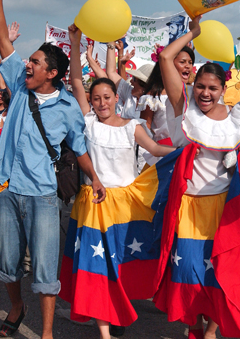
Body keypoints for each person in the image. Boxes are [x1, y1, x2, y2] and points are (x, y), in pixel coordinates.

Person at [0, 0, 106, 339]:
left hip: (43, 196)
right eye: (30, 60)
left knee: (45, 267)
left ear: (51, 73)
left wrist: (95, 178)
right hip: (6, 191)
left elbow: (79, 148)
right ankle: (16, 306)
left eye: (36, 62)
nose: (28, 63)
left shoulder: (69, 108)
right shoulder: (19, 86)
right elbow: (0, 38)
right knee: (8, 265)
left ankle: (47, 333)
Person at [59, 24, 175, 339]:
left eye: (106, 97)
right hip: (94, 204)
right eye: (95, 98)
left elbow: (155, 149)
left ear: (115, 97)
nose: (100, 103)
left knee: (121, 264)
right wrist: (75, 44)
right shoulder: (88, 124)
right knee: (95, 266)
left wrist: (185, 150)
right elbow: (74, 82)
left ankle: (118, 311)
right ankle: (105, 332)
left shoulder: (132, 126)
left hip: (126, 204)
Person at [153, 15, 240, 339]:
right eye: (201, 86)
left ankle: (211, 331)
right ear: (193, 84)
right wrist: (191, 33)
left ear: (223, 89)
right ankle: (193, 325)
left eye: (212, 88)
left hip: (224, 207)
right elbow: (166, 58)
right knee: (186, 270)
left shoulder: (238, 119)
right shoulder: (185, 108)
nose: (205, 93)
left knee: (221, 272)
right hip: (188, 207)